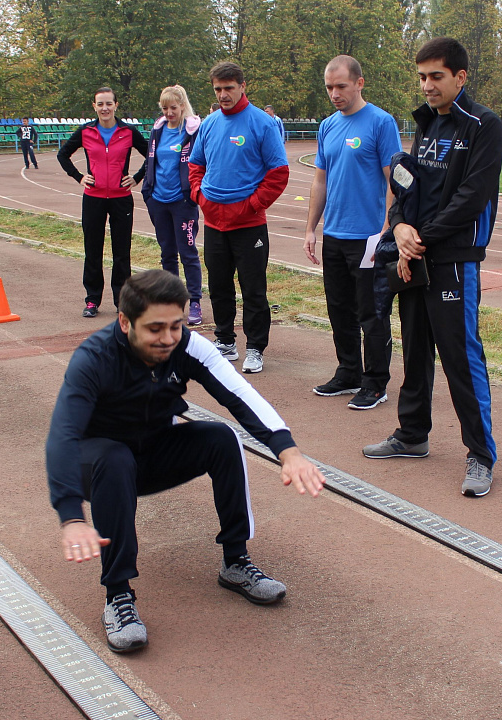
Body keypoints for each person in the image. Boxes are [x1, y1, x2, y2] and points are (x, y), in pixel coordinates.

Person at [45, 269, 325, 654]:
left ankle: (236, 561)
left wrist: (287, 451)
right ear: (126, 322)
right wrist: (71, 516)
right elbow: (62, 436)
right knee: (113, 457)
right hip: (99, 467)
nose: (167, 338)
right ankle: (117, 595)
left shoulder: (187, 346)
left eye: (175, 326)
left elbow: (238, 393)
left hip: (154, 453)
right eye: (155, 328)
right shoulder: (94, 359)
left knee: (221, 437)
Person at [362, 36, 502, 499]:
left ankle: (480, 454)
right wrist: (400, 228)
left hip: (454, 261)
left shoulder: (484, 125)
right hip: (415, 256)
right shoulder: (425, 126)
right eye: (421, 77)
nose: (427, 86)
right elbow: (409, 190)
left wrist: (419, 239)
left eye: (436, 77)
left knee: (461, 357)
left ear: (460, 77)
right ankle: (412, 434)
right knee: (415, 349)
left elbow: (471, 198)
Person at [302, 54, 400, 411]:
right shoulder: (327, 126)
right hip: (335, 235)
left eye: (341, 86)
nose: (334, 93)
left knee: (371, 312)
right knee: (338, 309)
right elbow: (320, 179)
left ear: (359, 83)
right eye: (329, 87)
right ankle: (348, 372)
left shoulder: (380, 122)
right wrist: (311, 228)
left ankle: (376, 382)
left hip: (369, 236)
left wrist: (388, 227)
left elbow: (395, 180)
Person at [189, 61, 290, 374]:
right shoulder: (209, 124)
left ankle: (256, 348)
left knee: (253, 289)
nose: (223, 95)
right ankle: (225, 340)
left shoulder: (262, 123)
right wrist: (200, 197)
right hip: (214, 222)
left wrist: (252, 204)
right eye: (218, 89)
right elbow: (195, 166)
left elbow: (278, 172)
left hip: (249, 225)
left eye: (229, 88)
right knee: (218, 285)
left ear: (242, 87)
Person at [58, 87, 148, 318]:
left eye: (109, 103)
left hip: (121, 199)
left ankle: (122, 302)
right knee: (93, 251)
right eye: (100, 104)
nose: (105, 108)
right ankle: (92, 300)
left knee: (121, 253)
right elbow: (63, 154)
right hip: (94, 199)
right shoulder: (86, 131)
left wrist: (136, 177)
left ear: (116, 105)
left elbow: (152, 154)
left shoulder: (128, 132)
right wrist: (79, 177)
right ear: (94, 106)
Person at [142, 85, 204, 326]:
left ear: (182, 106)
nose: (169, 113)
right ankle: (171, 301)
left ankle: (195, 301)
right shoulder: (157, 131)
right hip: (159, 200)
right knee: (167, 253)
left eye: (173, 108)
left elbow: (201, 162)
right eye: (165, 108)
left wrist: (193, 193)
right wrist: (147, 191)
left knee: (188, 253)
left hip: (183, 202)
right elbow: (151, 162)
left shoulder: (192, 131)